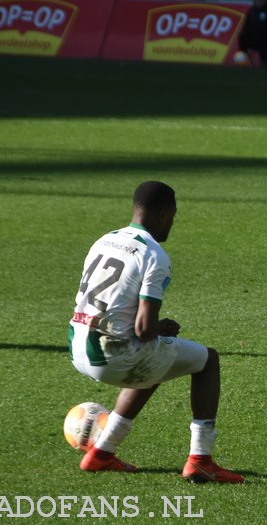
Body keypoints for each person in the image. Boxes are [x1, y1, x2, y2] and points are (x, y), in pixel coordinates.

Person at [68, 181, 244, 484]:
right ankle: (201, 461)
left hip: (78, 347)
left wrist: (155, 330)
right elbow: (145, 331)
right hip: (114, 357)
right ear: (165, 214)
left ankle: (101, 453)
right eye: (174, 217)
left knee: (158, 359)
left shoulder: (104, 240)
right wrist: (155, 328)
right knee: (207, 361)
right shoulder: (153, 254)